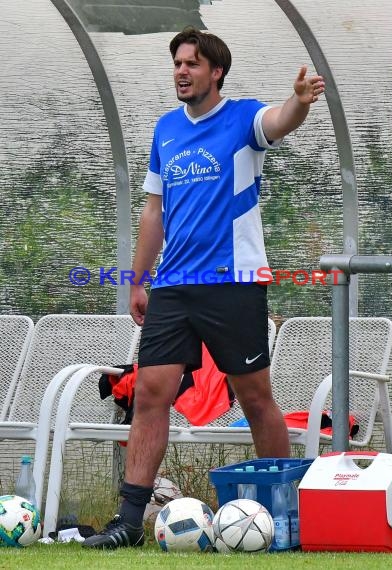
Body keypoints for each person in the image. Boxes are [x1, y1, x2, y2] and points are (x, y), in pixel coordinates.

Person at [83, 26, 325, 549]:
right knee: (150, 392)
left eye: (192, 64)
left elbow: (280, 120)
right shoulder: (165, 130)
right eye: (177, 64)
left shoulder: (242, 119)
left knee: (255, 397)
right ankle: (128, 522)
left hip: (233, 283)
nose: (181, 72)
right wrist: (138, 279)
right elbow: (153, 212)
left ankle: (281, 515)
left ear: (216, 71)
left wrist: (299, 102)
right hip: (173, 286)